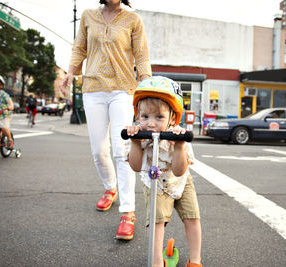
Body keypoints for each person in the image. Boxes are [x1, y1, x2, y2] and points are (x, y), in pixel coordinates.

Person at [60, 0, 152, 240]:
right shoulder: (89, 16)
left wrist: (147, 84)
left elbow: (141, 54)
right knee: (99, 150)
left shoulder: (133, 20)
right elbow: (79, 48)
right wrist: (70, 72)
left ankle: (128, 212)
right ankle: (110, 187)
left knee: (122, 150)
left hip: (123, 89)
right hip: (92, 89)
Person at [125, 76, 202, 267]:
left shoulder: (178, 136)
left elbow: (178, 171)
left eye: (159, 117)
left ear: (172, 118)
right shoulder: (140, 137)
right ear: (137, 116)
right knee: (156, 223)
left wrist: (179, 147)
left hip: (180, 181)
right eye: (145, 117)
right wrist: (135, 142)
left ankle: (195, 260)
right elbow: (135, 167)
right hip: (156, 184)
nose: (150, 124)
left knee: (192, 217)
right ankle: (157, 262)